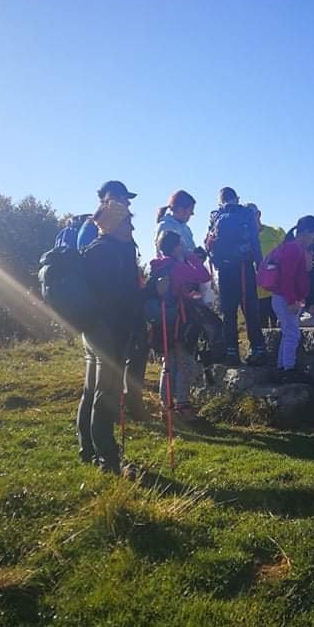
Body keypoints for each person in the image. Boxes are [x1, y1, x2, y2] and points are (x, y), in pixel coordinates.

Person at [77, 200, 143, 474]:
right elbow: (121, 297)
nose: (132, 227)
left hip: (92, 330)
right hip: (109, 332)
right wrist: (152, 292)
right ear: (115, 225)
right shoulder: (110, 252)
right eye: (127, 221)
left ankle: (88, 450)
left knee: (91, 392)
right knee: (106, 396)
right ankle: (108, 460)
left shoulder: (97, 249)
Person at [148, 230, 211, 422]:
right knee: (186, 363)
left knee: (169, 364)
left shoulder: (158, 266)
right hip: (180, 322)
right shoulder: (178, 267)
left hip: (163, 322)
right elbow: (204, 276)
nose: (184, 246)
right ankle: (183, 406)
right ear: (176, 247)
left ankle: (166, 406)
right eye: (181, 244)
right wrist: (192, 257)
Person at [205, 187, 265, 367]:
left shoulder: (215, 215)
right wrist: (259, 265)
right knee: (250, 309)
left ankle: (231, 351)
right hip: (244, 268)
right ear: (237, 198)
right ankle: (257, 349)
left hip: (224, 270)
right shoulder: (246, 213)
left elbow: (209, 243)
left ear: (220, 200)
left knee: (228, 312)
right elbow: (254, 241)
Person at [270, 215, 314, 381]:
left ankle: (281, 368)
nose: (313, 241)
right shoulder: (293, 249)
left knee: (288, 333)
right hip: (285, 298)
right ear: (306, 233)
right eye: (313, 236)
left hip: (283, 297)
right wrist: (292, 301)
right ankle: (288, 370)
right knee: (293, 335)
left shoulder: (291, 247)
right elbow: (287, 278)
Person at [246, 203, 286, 328]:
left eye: (251, 215)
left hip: (276, 291)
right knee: (259, 329)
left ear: (259, 214)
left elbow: (287, 257)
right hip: (255, 293)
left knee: (280, 327)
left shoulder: (276, 232)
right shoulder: (243, 238)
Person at [77, 181, 137, 251]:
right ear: (112, 197)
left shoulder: (99, 224)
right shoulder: (94, 226)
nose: (129, 203)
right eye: (124, 198)